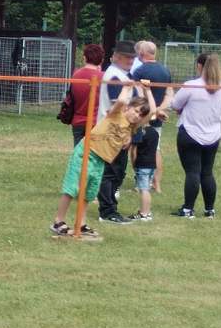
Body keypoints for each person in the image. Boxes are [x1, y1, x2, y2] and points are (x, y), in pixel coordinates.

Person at [50, 96, 153, 239]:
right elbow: (122, 101)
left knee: (89, 192)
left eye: (140, 115)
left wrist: (147, 91)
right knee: (72, 188)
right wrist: (128, 86)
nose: (137, 116)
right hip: (86, 152)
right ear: (128, 108)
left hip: (100, 160)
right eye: (135, 111)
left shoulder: (132, 128)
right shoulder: (116, 114)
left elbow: (150, 113)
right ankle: (58, 221)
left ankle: (81, 224)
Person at [169, 53, 221, 218]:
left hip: (190, 133)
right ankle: (210, 210)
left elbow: (175, 104)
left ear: (200, 66)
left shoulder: (191, 85)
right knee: (207, 172)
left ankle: (188, 209)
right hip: (213, 135)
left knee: (193, 172)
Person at [95, 40, 139, 225]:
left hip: (118, 130)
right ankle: (107, 211)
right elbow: (118, 107)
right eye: (127, 57)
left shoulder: (122, 75)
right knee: (111, 173)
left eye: (132, 57)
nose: (130, 60)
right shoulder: (115, 77)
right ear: (117, 56)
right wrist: (127, 132)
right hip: (112, 131)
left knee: (118, 172)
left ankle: (111, 208)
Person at [129, 41, 173, 221]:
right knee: (156, 149)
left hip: (142, 116)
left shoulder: (138, 71)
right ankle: (157, 183)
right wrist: (159, 110)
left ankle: (141, 182)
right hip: (158, 116)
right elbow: (169, 94)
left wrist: (148, 112)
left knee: (135, 147)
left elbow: (135, 93)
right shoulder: (165, 71)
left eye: (139, 52)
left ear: (143, 54)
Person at [68, 44, 104, 144]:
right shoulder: (103, 77)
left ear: (84, 58)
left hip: (78, 121)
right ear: (101, 60)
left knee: (78, 154)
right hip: (96, 122)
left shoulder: (76, 75)